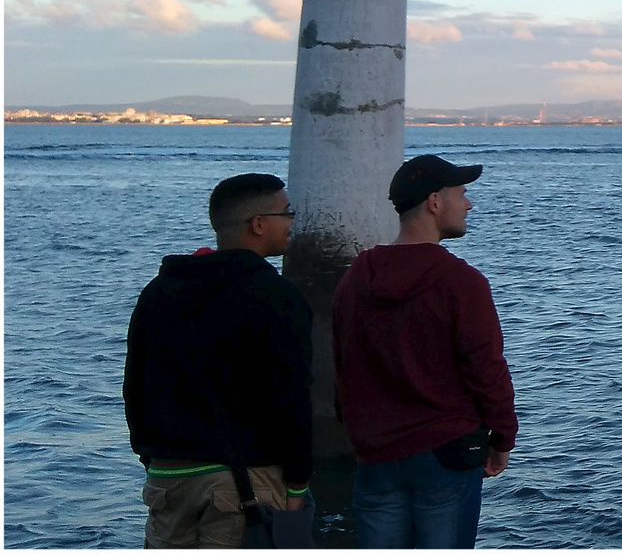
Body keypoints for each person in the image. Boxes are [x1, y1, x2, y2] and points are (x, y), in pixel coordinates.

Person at [333, 154, 518, 549]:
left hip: (376, 454)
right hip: (444, 453)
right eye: (462, 194)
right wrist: (502, 438)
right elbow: (486, 369)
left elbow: (343, 364)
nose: (469, 204)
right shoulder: (461, 282)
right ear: (435, 202)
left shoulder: (356, 277)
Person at [125, 172, 313, 548]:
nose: (293, 221)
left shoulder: (159, 291)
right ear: (258, 224)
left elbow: (135, 387)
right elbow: (290, 396)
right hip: (244, 480)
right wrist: (297, 483)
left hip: (168, 477)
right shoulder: (277, 296)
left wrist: (152, 457)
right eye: (287, 212)